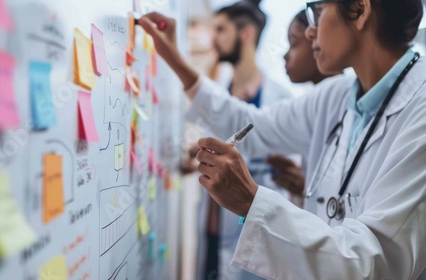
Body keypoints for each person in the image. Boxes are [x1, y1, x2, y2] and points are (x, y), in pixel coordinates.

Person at [138, 0, 426, 278]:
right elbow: (254, 127)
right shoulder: (335, 96)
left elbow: (378, 266)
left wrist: (251, 201)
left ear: (360, 10)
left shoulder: (419, 109)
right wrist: (173, 57)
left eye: (318, 10)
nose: (311, 30)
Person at [186, 1, 291, 279]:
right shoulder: (218, 98)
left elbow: (284, 179)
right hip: (211, 228)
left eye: (221, 29)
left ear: (245, 33)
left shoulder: (280, 102)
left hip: (252, 236)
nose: (213, 39)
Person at [267, 9, 337, 201]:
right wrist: (302, 184)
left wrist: (307, 188)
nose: (285, 56)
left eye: (293, 44)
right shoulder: (313, 103)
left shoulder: (341, 104)